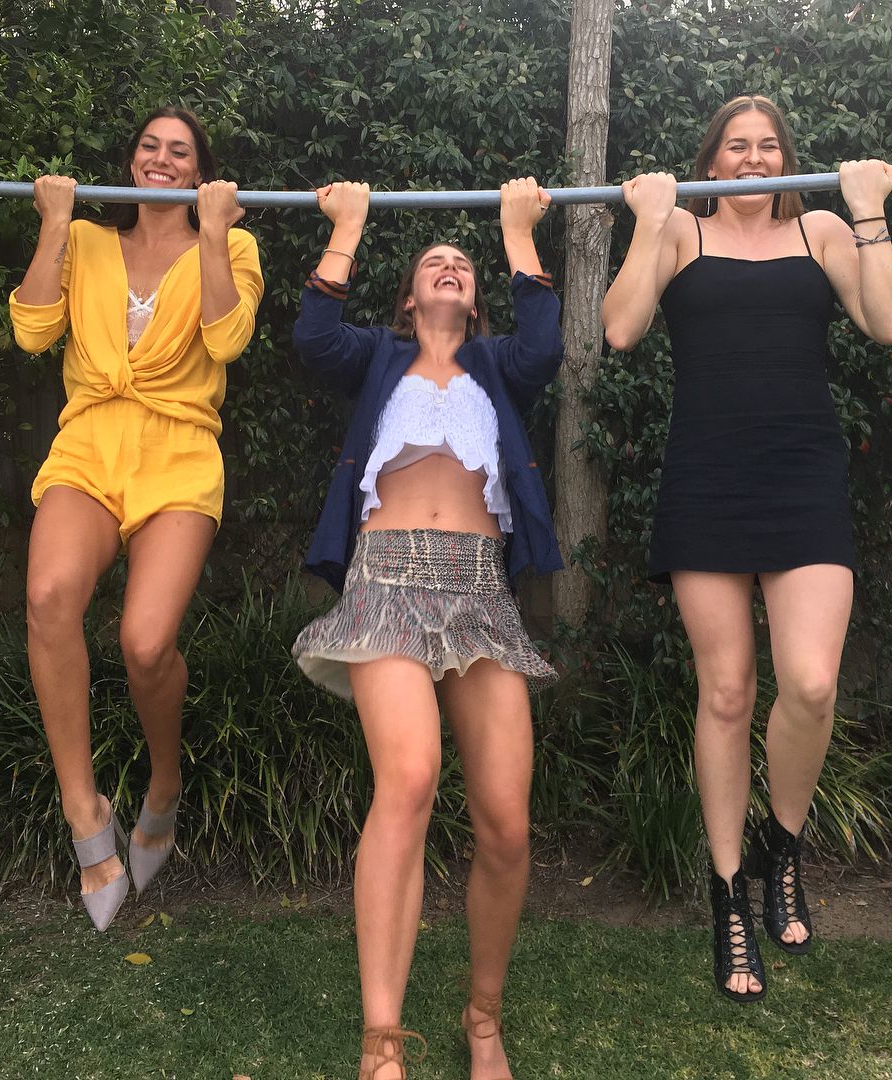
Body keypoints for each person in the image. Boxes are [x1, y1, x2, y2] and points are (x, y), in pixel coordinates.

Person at [601, 94, 892, 1003]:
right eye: (735, 145)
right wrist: (647, 220)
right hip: (706, 479)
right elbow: (620, 328)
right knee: (728, 691)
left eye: (768, 145)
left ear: (787, 158)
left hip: (802, 476)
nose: (752, 158)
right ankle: (730, 892)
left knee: (810, 683)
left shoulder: (821, 229)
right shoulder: (680, 232)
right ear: (711, 160)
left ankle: (784, 845)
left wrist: (868, 208)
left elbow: (890, 323)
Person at [291, 177, 562, 1079]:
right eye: (432, 263)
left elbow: (545, 347)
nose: (449, 265)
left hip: (480, 592)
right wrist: (349, 226)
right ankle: (382, 1043)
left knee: (507, 823)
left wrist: (517, 235)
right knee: (407, 780)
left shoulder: (497, 367)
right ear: (408, 298)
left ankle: (483, 1018)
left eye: (462, 264)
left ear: (476, 300)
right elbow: (313, 338)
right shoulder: (378, 357)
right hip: (388, 583)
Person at [9, 105, 264, 931]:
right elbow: (32, 330)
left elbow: (226, 340)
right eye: (150, 146)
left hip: (179, 452)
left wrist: (215, 233)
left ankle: (165, 781)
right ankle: (85, 815)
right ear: (131, 161)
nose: (161, 158)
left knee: (146, 643)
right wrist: (54, 224)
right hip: (88, 444)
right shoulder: (85, 240)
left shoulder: (233, 245)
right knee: (48, 598)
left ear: (199, 171)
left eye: (179, 151)